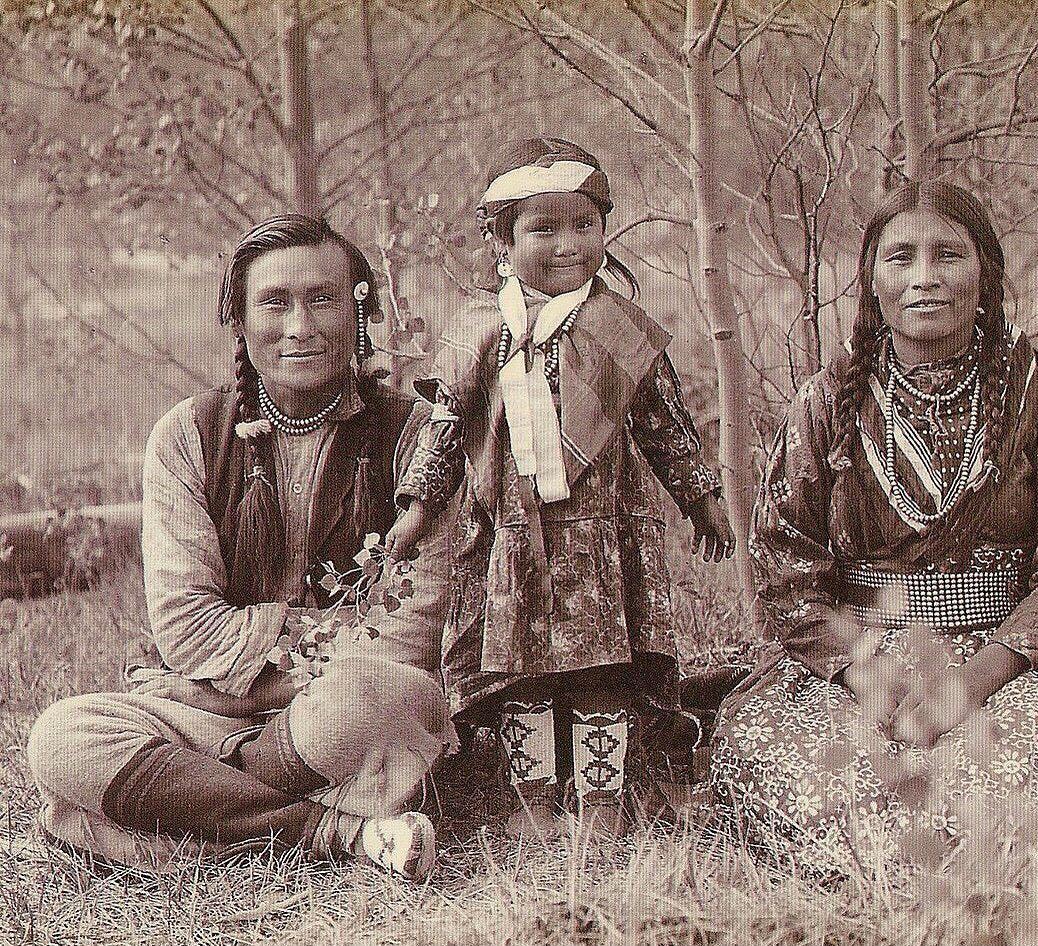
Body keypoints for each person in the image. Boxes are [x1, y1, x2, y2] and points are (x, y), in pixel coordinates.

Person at [708, 181, 1038, 878]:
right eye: (901, 258)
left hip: (1009, 660)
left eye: (948, 255)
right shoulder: (827, 401)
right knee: (809, 782)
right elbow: (784, 570)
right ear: (870, 280)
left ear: (984, 273)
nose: (925, 277)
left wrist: (968, 684)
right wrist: (877, 678)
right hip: (856, 665)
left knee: (1016, 796)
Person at [26, 215, 457, 880]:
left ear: (359, 307)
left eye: (323, 299)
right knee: (62, 736)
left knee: (379, 694)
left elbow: (410, 634)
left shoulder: (417, 437)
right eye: (274, 302)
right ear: (239, 317)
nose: (300, 327)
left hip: (326, 715)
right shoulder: (187, 436)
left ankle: (186, 812)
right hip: (210, 716)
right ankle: (338, 833)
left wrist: (236, 693)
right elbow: (189, 632)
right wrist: (294, 654)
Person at [385, 137, 736, 836]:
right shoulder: (480, 333)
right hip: (509, 539)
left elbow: (664, 423)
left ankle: (601, 797)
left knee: (600, 668)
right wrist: (419, 508)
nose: (568, 244)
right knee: (523, 673)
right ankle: (533, 797)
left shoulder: (618, 329)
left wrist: (701, 497)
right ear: (500, 241)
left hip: (600, 541)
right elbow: (447, 428)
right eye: (542, 228)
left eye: (584, 224)